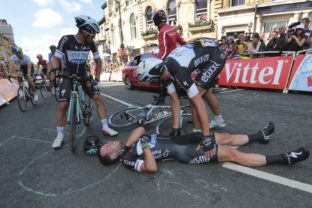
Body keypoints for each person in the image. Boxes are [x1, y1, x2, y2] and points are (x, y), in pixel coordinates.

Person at [97, 123, 310, 173]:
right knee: (234, 155)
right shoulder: (127, 160)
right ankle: (284, 158)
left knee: (224, 136)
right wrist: (144, 147)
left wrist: (128, 144)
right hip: (185, 152)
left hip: (184, 139)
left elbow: (141, 128)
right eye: (107, 148)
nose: (107, 143)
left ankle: (259, 136)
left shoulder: (126, 147)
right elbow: (152, 168)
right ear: (113, 156)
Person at [51, 15, 118, 149]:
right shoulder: (66, 40)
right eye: (92, 35)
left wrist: (97, 79)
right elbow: (56, 57)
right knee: (63, 105)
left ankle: (105, 127)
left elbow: (98, 61)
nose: (94, 38)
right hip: (68, 74)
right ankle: (59, 135)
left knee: (98, 98)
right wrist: (55, 69)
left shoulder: (90, 44)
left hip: (83, 74)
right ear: (85, 32)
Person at [137, 38, 226, 138]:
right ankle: (219, 120)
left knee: (194, 100)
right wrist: (176, 127)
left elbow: (199, 104)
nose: (154, 82)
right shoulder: (164, 72)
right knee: (206, 93)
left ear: (158, 73)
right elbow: (174, 99)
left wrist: (206, 137)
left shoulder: (180, 71)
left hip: (215, 57)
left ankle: (197, 132)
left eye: (153, 80)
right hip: (204, 53)